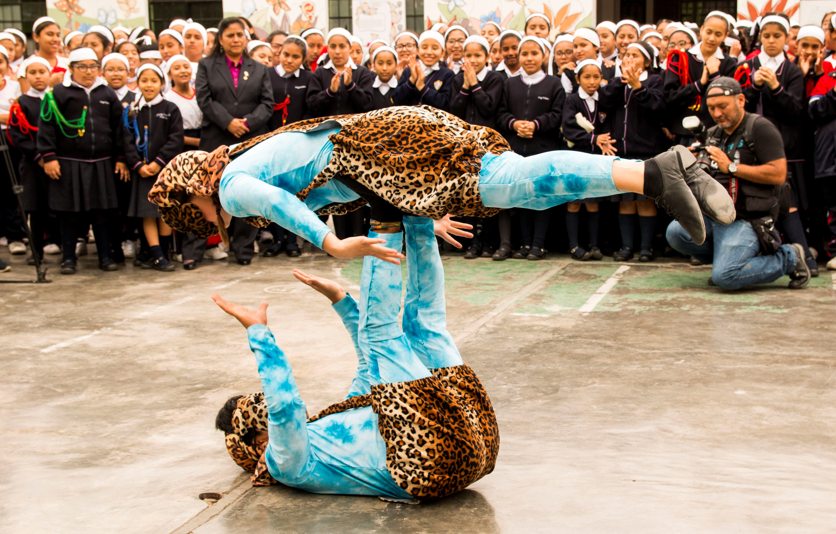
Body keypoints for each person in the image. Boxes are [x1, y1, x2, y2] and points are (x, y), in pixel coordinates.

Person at [148, 105, 734, 274]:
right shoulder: (250, 163)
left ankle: (658, 171)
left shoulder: (228, 184)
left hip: (385, 147)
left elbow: (283, 205)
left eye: (195, 215)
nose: (211, 226)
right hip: (385, 154)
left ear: (191, 190)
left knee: (511, 182)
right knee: (522, 189)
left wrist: (329, 247)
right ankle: (662, 172)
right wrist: (422, 216)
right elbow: (358, 192)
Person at [213, 214, 498, 502]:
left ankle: (417, 220)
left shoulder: (330, 425)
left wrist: (340, 299)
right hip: (421, 463)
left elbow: (367, 368)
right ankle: (383, 214)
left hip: (471, 445)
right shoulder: (285, 464)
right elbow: (284, 407)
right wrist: (259, 333)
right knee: (379, 331)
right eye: (263, 431)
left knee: (424, 326)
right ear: (257, 444)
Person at [666, 78, 811, 290]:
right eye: (712, 108)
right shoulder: (714, 134)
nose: (717, 114)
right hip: (717, 215)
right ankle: (728, 261)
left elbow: (779, 174)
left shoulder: (760, 128)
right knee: (675, 233)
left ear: (741, 100)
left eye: (722, 107)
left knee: (726, 277)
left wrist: (732, 167)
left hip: (747, 218)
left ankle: (790, 257)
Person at [38, 47, 129, 274]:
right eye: (82, 67)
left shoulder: (107, 94)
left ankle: (105, 257)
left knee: (102, 212)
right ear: (71, 69)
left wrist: (120, 158)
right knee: (70, 213)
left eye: (93, 66)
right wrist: (48, 157)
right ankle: (68, 259)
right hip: (69, 162)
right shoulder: (58, 93)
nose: (89, 72)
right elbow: (46, 126)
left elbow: (119, 129)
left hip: (102, 163)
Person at [738, 14, 815, 275]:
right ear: (760, 37)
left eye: (777, 36)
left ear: (787, 38)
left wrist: (775, 86)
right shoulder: (747, 65)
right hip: (750, 147)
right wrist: (755, 87)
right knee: (753, 202)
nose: (771, 41)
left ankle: (806, 259)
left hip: (783, 148)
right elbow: (739, 105)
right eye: (767, 36)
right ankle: (760, 253)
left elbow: (795, 110)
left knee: (787, 201)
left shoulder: (792, 70)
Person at [195, 17, 273, 266]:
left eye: (240, 34)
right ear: (220, 39)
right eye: (230, 35)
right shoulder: (207, 65)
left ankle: (243, 249)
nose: (236, 39)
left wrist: (247, 123)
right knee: (208, 192)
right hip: (216, 137)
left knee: (246, 193)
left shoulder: (259, 68)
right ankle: (196, 249)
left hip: (249, 139)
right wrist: (228, 121)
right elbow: (204, 99)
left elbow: (267, 103)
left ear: (246, 37)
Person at [496, 36, 564, 260]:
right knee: (521, 197)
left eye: (534, 53)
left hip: (543, 148)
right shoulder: (510, 84)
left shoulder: (554, 84)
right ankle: (525, 244)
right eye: (524, 53)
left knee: (541, 197)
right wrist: (514, 124)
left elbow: (557, 115)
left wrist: (536, 125)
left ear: (544, 55)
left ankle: (538, 244)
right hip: (516, 148)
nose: (529, 58)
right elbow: (501, 113)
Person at [600, 41, 666, 262]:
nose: (629, 59)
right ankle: (627, 246)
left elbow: (657, 107)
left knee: (645, 200)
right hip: (622, 153)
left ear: (647, 61)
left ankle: (646, 247)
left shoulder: (654, 80)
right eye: (626, 55)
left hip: (647, 152)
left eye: (635, 55)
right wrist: (622, 81)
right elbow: (605, 100)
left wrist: (638, 86)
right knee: (626, 201)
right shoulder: (618, 82)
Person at [123, 63, 184, 272]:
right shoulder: (132, 111)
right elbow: (127, 140)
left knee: (164, 211)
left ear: (162, 83)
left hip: (164, 171)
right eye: (144, 80)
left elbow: (175, 139)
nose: (149, 85)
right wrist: (138, 164)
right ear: (137, 83)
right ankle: (156, 254)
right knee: (147, 213)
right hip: (142, 172)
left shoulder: (170, 109)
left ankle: (163, 252)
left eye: (154, 81)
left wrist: (159, 162)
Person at [450, 35, 503, 258]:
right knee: (469, 192)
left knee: (487, 192)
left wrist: (475, 84)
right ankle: (472, 243)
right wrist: (465, 85)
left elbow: (488, 107)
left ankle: (489, 243)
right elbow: (455, 110)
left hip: (487, 145)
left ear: (487, 57)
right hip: (464, 144)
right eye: (468, 55)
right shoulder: (456, 79)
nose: (473, 59)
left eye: (477, 55)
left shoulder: (495, 79)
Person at [264, 35, 312, 258]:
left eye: (295, 57)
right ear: (279, 53)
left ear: (303, 59)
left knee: (295, 193)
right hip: (270, 144)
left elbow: (310, 109)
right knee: (273, 192)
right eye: (286, 55)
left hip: (297, 144)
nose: (289, 60)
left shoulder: (309, 78)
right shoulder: (267, 76)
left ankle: (292, 239)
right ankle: (277, 239)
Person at [664, 12, 737, 142]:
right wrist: (699, 84)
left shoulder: (729, 63)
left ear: (726, 36)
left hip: (718, 133)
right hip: (684, 133)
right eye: (708, 32)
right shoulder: (680, 58)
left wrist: (715, 75)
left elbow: (729, 100)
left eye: (718, 34)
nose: (712, 38)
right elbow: (669, 96)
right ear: (702, 30)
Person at [562, 59, 609, 261]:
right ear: (578, 79)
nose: (592, 81)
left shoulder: (604, 99)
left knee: (593, 202)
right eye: (587, 77)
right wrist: (593, 138)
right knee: (574, 201)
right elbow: (569, 129)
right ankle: (574, 245)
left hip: (597, 159)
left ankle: (594, 244)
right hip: (575, 158)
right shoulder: (572, 100)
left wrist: (604, 140)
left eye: (596, 77)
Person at [8, 57, 51, 263]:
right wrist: (38, 156)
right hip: (33, 164)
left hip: (56, 163)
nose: (38, 76)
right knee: (36, 209)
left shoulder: (56, 99)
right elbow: (17, 134)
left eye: (42, 72)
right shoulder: (22, 103)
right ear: (25, 77)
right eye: (32, 73)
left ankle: (62, 246)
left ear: (49, 75)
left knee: (59, 207)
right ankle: (37, 252)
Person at [306, 28, 373, 118]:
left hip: (353, 130)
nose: (337, 51)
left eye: (342, 46)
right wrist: (329, 92)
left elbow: (367, 106)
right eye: (333, 47)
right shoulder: (320, 73)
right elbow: (312, 107)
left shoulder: (362, 72)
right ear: (328, 48)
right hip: (326, 130)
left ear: (350, 48)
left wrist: (351, 86)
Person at [0, 44, 24, 256]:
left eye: (0, 61)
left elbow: (17, 116)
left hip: (11, 141)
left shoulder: (15, 87)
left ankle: (15, 235)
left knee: (12, 189)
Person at [392, 30, 454, 110]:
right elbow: (396, 100)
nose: (429, 52)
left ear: (443, 52)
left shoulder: (447, 74)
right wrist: (411, 80)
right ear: (418, 50)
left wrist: (422, 87)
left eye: (434, 48)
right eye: (424, 47)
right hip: (409, 121)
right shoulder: (408, 71)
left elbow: (446, 104)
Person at [368, 46, 399, 110]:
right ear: (373, 65)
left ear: (396, 65)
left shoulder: (400, 87)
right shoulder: (368, 87)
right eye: (380, 63)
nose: (384, 68)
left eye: (389, 63)